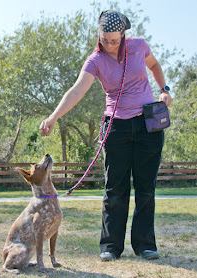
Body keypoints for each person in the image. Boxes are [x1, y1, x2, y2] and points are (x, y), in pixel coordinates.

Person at [39, 10, 172, 261]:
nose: (109, 45)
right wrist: (53, 117)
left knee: (146, 187)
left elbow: (154, 65)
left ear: (124, 34)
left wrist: (164, 90)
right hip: (117, 127)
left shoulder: (139, 46)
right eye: (104, 39)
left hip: (147, 125)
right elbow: (77, 90)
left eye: (114, 40)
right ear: (98, 36)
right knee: (115, 188)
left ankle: (145, 245)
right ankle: (111, 246)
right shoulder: (95, 61)